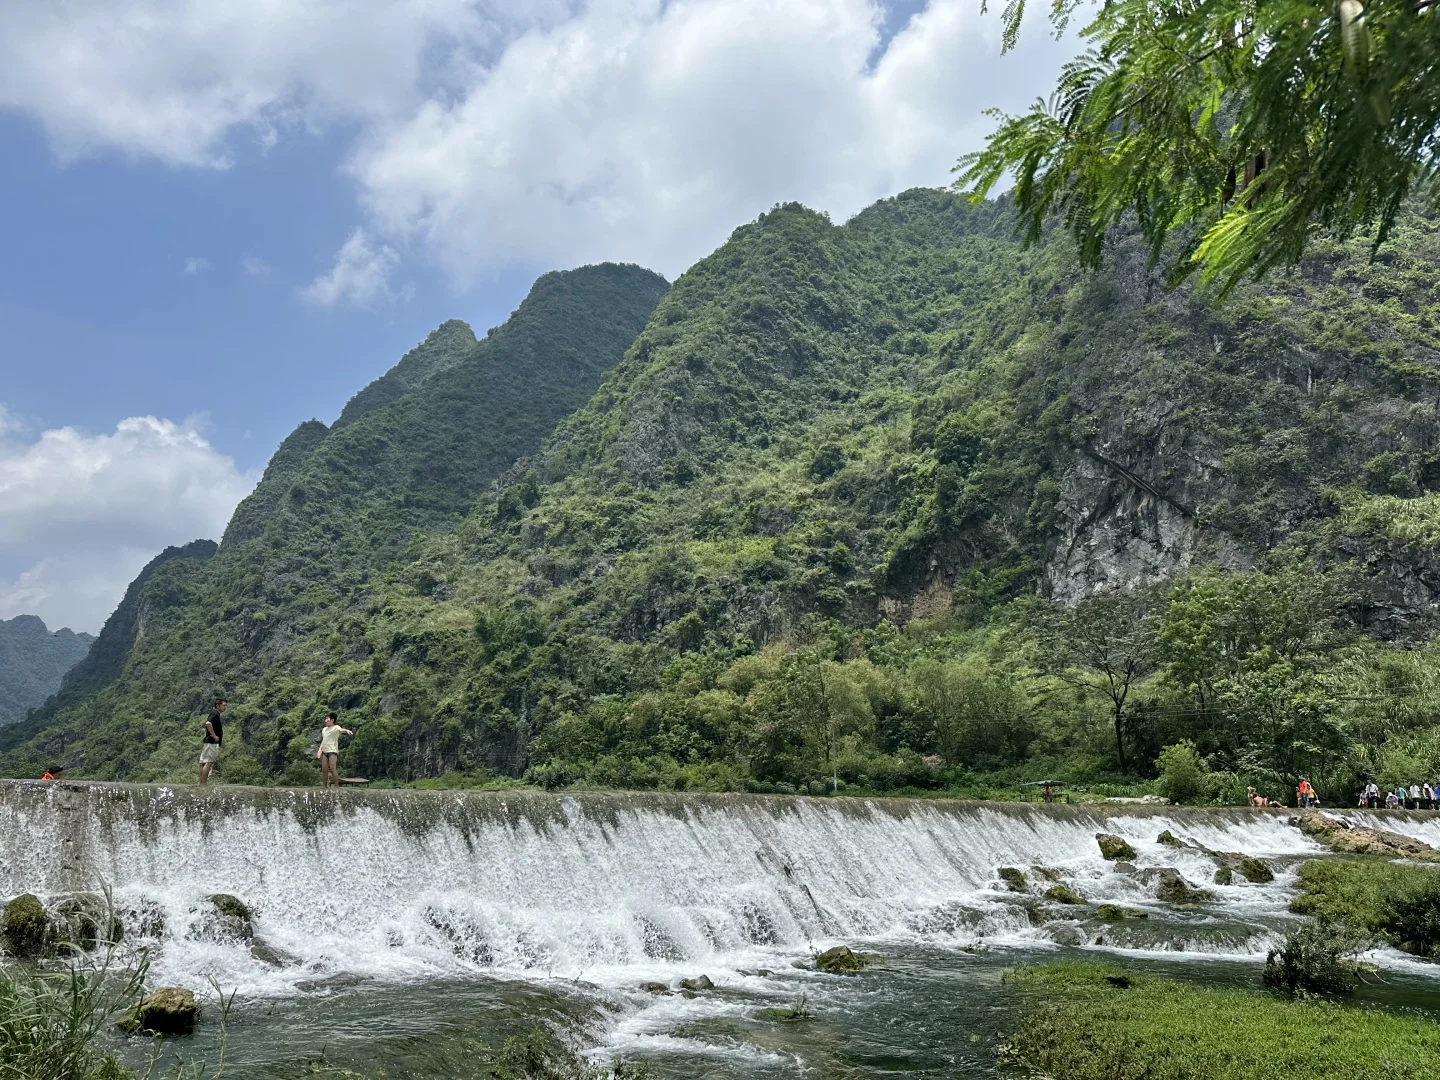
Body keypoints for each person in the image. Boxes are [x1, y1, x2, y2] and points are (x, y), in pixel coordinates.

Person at [317, 712, 354, 789]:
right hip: (324, 751)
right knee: (324, 769)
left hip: (332, 751)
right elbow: (324, 740)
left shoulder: (336, 727)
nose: (325, 720)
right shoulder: (324, 729)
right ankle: (324, 786)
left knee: (333, 768)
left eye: (327, 718)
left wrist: (347, 731)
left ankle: (336, 786)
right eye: (325, 718)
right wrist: (320, 749)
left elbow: (341, 730)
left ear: (332, 720)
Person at [199, 698, 226, 786]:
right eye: (223, 705)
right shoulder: (215, 713)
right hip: (211, 742)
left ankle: (201, 783)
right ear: (218, 705)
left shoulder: (215, 713)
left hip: (208, 741)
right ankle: (203, 784)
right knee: (208, 762)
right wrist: (214, 736)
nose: (225, 707)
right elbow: (208, 723)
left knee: (203, 763)